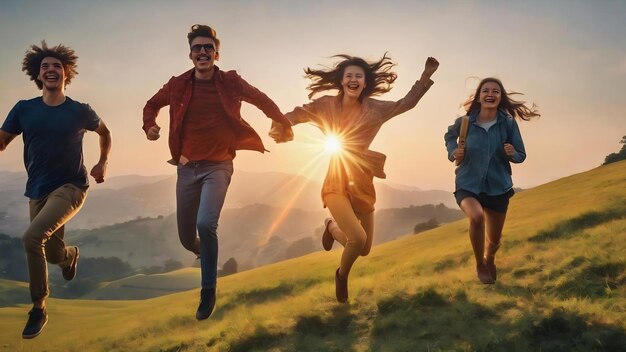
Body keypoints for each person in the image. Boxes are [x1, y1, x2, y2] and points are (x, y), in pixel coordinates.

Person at [142, 24, 293, 320]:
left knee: (206, 224)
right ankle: (200, 250)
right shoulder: (177, 85)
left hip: (219, 166)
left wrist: (282, 122)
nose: (202, 52)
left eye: (208, 48)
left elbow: (261, 99)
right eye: (197, 48)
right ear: (190, 54)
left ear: (216, 53)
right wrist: (150, 126)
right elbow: (151, 105)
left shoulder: (231, 82)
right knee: (187, 237)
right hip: (186, 169)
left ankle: (208, 289)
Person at [270, 54, 438, 302]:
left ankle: (330, 226)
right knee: (357, 239)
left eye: (358, 76)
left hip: (362, 181)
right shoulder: (326, 104)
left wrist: (425, 76)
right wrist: (281, 125)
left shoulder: (376, 109)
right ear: (341, 81)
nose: (353, 79)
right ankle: (341, 276)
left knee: (365, 249)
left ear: (365, 82)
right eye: (348, 75)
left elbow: (406, 103)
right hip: (336, 179)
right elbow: (299, 113)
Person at [0, 41, 112, 339]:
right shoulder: (24, 110)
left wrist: (102, 162)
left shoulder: (79, 110)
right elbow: (2, 141)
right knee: (50, 253)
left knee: (31, 237)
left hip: (72, 186)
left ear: (66, 73)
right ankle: (69, 255)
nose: (51, 70)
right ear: (38, 75)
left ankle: (38, 308)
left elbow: (105, 132)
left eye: (57, 66)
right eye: (45, 66)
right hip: (37, 190)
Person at [444, 77, 539, 284]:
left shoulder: (508, 124)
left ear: (500, 97)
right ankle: (479, 263)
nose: (490, 94)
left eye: (495, 91)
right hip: (467, 184)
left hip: (498, 187)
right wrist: (454, 152)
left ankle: (490, 258)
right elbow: (450, 137)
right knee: (476, 217)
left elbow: (521, 155)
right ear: (478, 97)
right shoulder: (465, 122)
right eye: (485, 90)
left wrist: (512, 152)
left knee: (494, 240)